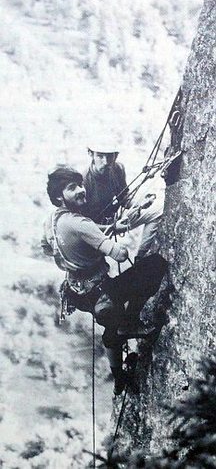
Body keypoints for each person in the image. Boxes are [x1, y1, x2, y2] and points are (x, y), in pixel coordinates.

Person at [42, 166, 167, 395]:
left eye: (80, 185)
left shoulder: (51, 221)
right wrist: (114, 244)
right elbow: (119, 254)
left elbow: (47, 248)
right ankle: (130, 321)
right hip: (101, 289)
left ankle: (119, 377)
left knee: (111, 324)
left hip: (77, 292)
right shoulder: (81, 224)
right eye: (73, 188)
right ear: (60, 196)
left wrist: (80, 248)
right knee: (156, 265)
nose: (81, 190)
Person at [83, 137, 165, 255]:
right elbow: (81, 224)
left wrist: (141, 203)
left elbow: (124, 198)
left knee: (158, 210)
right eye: (100, 156)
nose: (106, 162)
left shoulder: (117, 169)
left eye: (110, 156)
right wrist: (112, 227)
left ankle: (140, 258)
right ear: (91, 154)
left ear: (116, 156)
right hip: (93, 231)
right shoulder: (84, 181)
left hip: (114, 223)